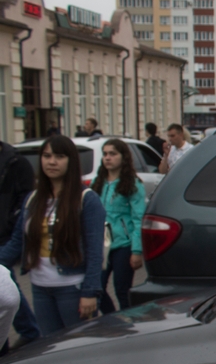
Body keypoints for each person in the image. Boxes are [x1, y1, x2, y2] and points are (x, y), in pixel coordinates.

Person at [0, 135, 105, 334]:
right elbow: (17, 242)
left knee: (77, 346)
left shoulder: (86, 199)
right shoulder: (33, 199)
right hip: (40, 288)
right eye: (47, 156)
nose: (52, 162)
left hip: (72, 288)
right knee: (49, 347)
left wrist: (90, 292)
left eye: (59, 156)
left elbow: (94, 251)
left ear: (71, 161)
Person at [92, 139, 146, 311]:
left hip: (123, 244)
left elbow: (138, 217)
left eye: (113, 154)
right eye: (105, 154)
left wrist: (136, 251)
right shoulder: (98, 182)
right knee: (96, 288)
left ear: (123, 157)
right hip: (101, 244)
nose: (108, 158)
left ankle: (128, 322)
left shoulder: (132, 183)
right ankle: (112, 319)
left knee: (122, 290)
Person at [0, 137, 39, 350]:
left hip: (7, 236)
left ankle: (29, 331)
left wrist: (9, 223)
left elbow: (26, 202)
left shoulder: (17, 163)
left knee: (6, 288)